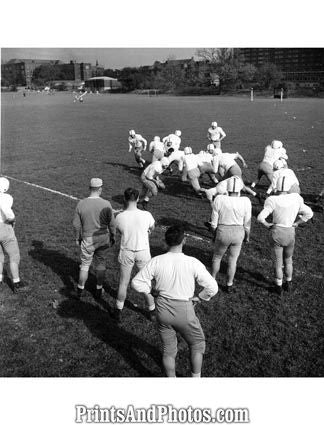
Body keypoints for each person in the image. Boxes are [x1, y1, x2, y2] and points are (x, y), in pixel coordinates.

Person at [131, 225, 218, 377]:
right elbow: (212, 287)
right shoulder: (192, 262)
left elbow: (136, 282)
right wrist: (200, 297)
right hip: (184, 310)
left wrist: (150, 291)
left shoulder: (156, 261)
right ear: (184, 241)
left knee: (168, 350)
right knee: (197, 344)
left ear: (166, 241)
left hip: (162, 310)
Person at [257, 176, 313, 294]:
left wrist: (268, 225)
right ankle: (288, 283)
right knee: (288, 259)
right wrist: (297, 223)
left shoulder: (272, 199)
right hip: (290, 232)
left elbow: (260, 218)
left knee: (278, 263)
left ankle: (278, 287)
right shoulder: (296, 198)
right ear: (289, 187)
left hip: (277, 232)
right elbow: (309, 213)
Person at [113, 188, 156, 322]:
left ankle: (118, 310)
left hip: (127, 251)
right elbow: (152, 227)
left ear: (125, 199)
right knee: (145, 282)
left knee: (123, 283)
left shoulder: (119, 217)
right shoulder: (147, 215)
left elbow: (119, 231)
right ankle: (152, 310)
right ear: (138, 199)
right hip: (143, 252)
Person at [73, 178, 116, 300]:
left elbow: (76, 225)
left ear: (89, 188)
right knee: (101, 263)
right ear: (100, 189)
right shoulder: (106, 204)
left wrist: (77, 238)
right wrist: (113, 236)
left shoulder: (81, 204)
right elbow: (112, 224)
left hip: (88, 239)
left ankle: (80, 289)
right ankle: (98, 288)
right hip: (103, 238)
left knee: (85, 265)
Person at [209, 176, 252, 293]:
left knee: (217, 258)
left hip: (223, 231)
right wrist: (247, 237)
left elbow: (213, 223)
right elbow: (247, 224)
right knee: (233, 260)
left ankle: (213, 281)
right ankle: (229, 284)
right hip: (239, 232)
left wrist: (214, 234)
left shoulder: (219, 199)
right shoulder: (246, 201)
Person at [0, 177, 28, 292]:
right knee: (14, 255)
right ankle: (16, 282)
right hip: (4, 228)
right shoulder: (7, 197)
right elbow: (8, 212)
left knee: (0, 256)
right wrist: (12, 219)